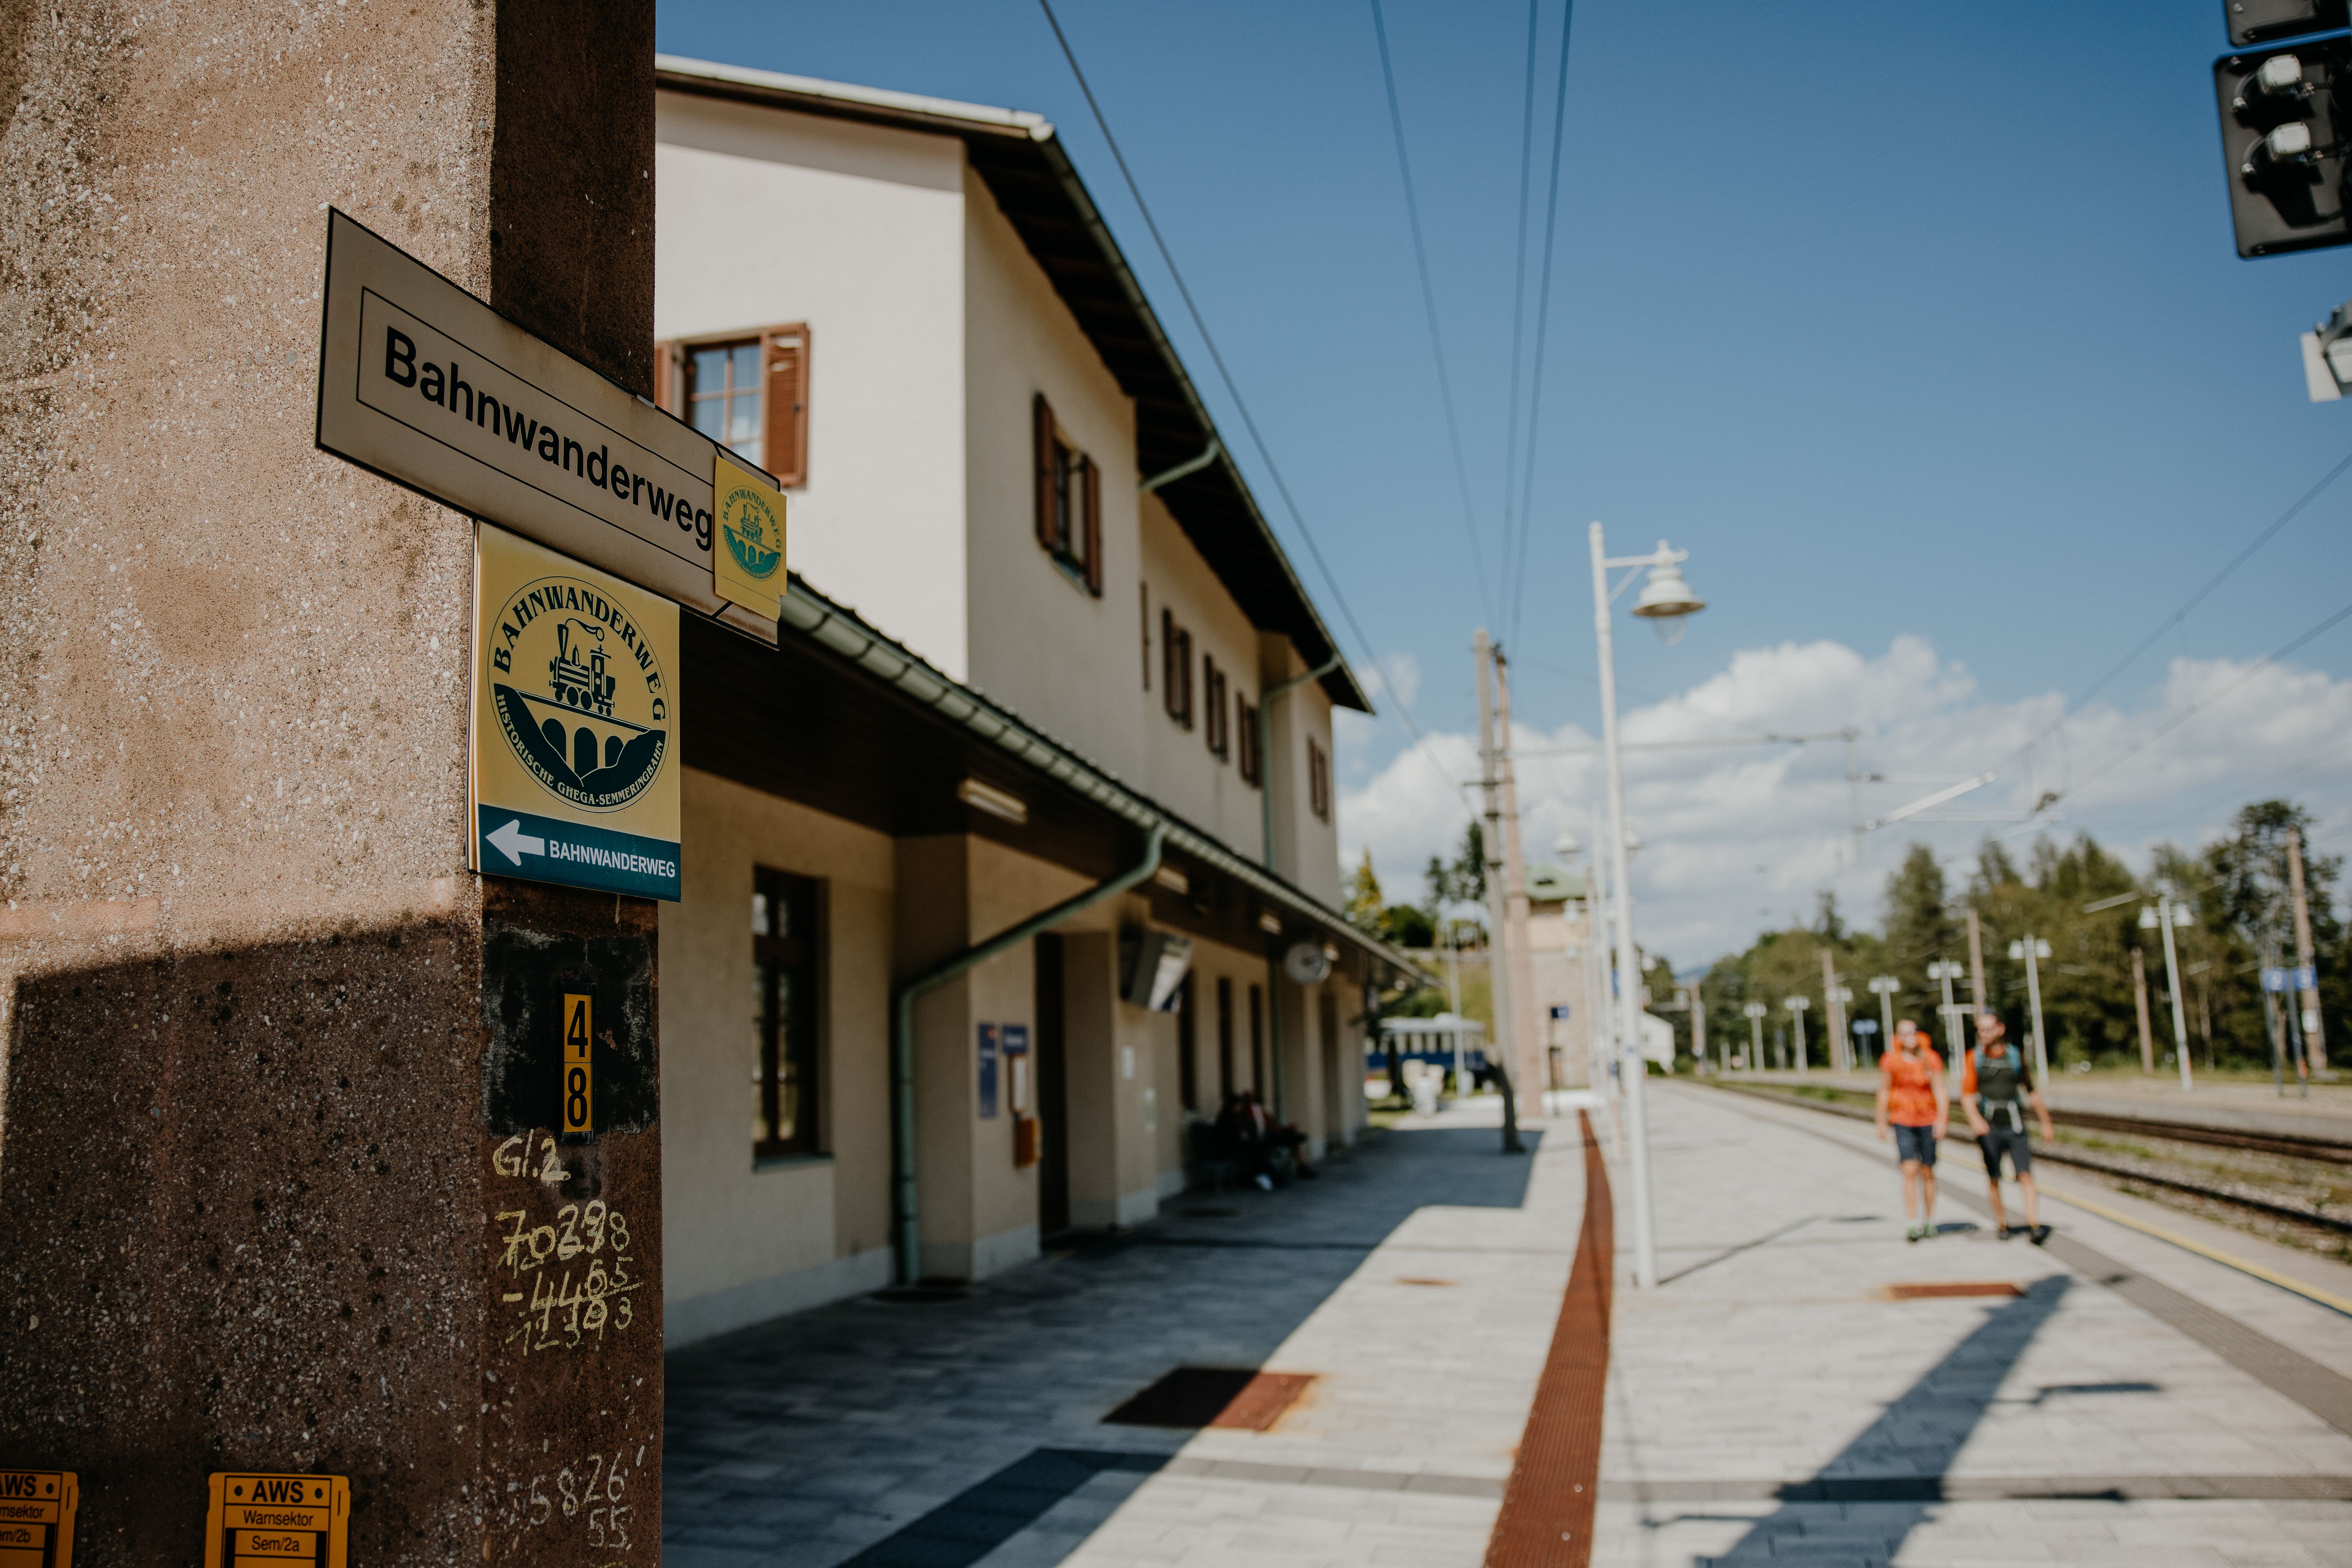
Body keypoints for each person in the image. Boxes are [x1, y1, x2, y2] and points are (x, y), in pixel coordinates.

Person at [1963, 1013, 2054, 1244]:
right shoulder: (1975, 1058)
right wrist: (1976, 1120)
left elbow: (2031, 1091)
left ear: (2000, 1029)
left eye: (1988, 1029)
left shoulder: (2015, 1056)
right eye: (1980, 1030)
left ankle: (2034, 1224)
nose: (1983, 1034)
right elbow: (1967, 1094)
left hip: (2015, 1125)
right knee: (1994, 1177)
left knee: (2025, 1174)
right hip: (1989, 1128)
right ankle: (2002, 1223)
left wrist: (2046, 1123)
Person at [1874, 1017, 1948, 1242]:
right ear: (1898, 1037)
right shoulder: (1891, 1060)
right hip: (1903, 1119)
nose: (1910, 1036)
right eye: (1904, 1033)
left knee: (1928, 1171)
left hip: (1928, 1119)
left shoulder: (1930, 1058)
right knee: (1909, 1169)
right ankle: (1912, 1222)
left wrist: (1942, 1119)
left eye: (1913, 1031)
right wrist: (1881, 1121)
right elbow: (1884, 1090)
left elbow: (1940, 1090)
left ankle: (1930, 1221)